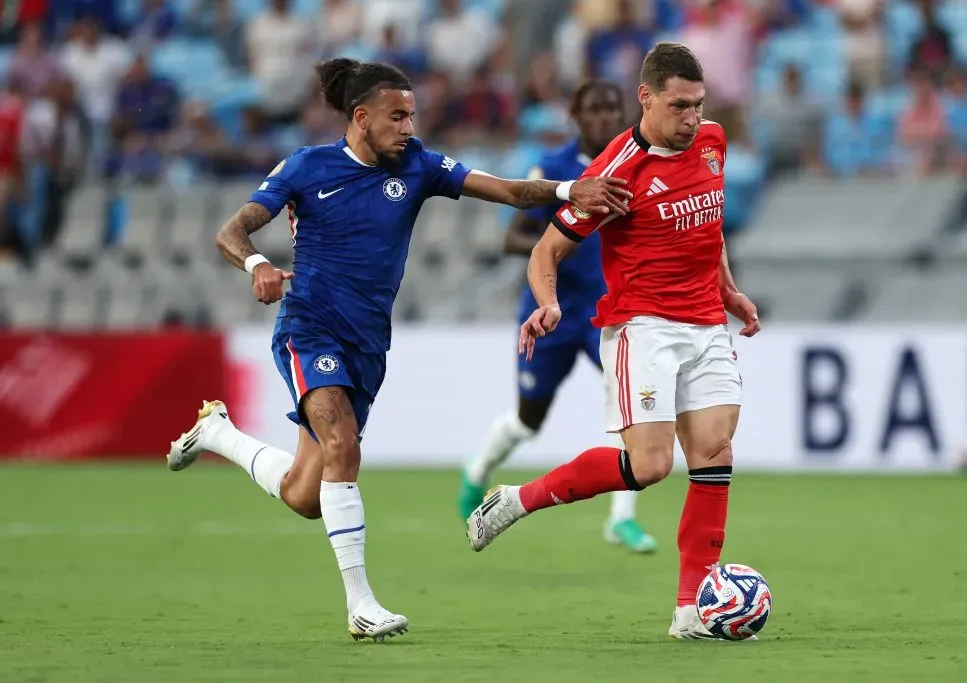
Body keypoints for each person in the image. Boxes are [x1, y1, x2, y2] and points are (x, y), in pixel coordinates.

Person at [164, 58, 629, 642]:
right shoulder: (308, 168)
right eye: (398, 116)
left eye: (413, 115)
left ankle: (218, 434)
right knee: (343, 445)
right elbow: (231, 231)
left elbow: (508, 190)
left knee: (308, 496)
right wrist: (256, 263)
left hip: (368, 344)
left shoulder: (419, 165)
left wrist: (568, 189)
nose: (410, 127)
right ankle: (362, 605)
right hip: (309, 328)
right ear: (361, 118)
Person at [465, 43, 761, 641]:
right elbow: (546, 251)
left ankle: (689, 612)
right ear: (646, 97)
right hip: (642, 326)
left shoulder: (712, 142)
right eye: (679, 105)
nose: (691, 118)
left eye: (699, 105)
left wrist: (728, 289)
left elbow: (710, 224)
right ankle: (520, 498)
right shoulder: (615, 174)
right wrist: (548, 304)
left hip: (706, 323)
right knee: (651, 466)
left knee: (715, 453)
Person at [459, 80, 656, 554]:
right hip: (548, 313)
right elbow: (512, 239)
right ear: (576, 115)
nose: (606, 117)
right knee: (529, 422)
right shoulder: (552, 169)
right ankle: (477, 474)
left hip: (603, 313)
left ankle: (621, 520)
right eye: (595, 110)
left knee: (631, 407)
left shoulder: (630, 164)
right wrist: (563, 241)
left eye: (612, 108)